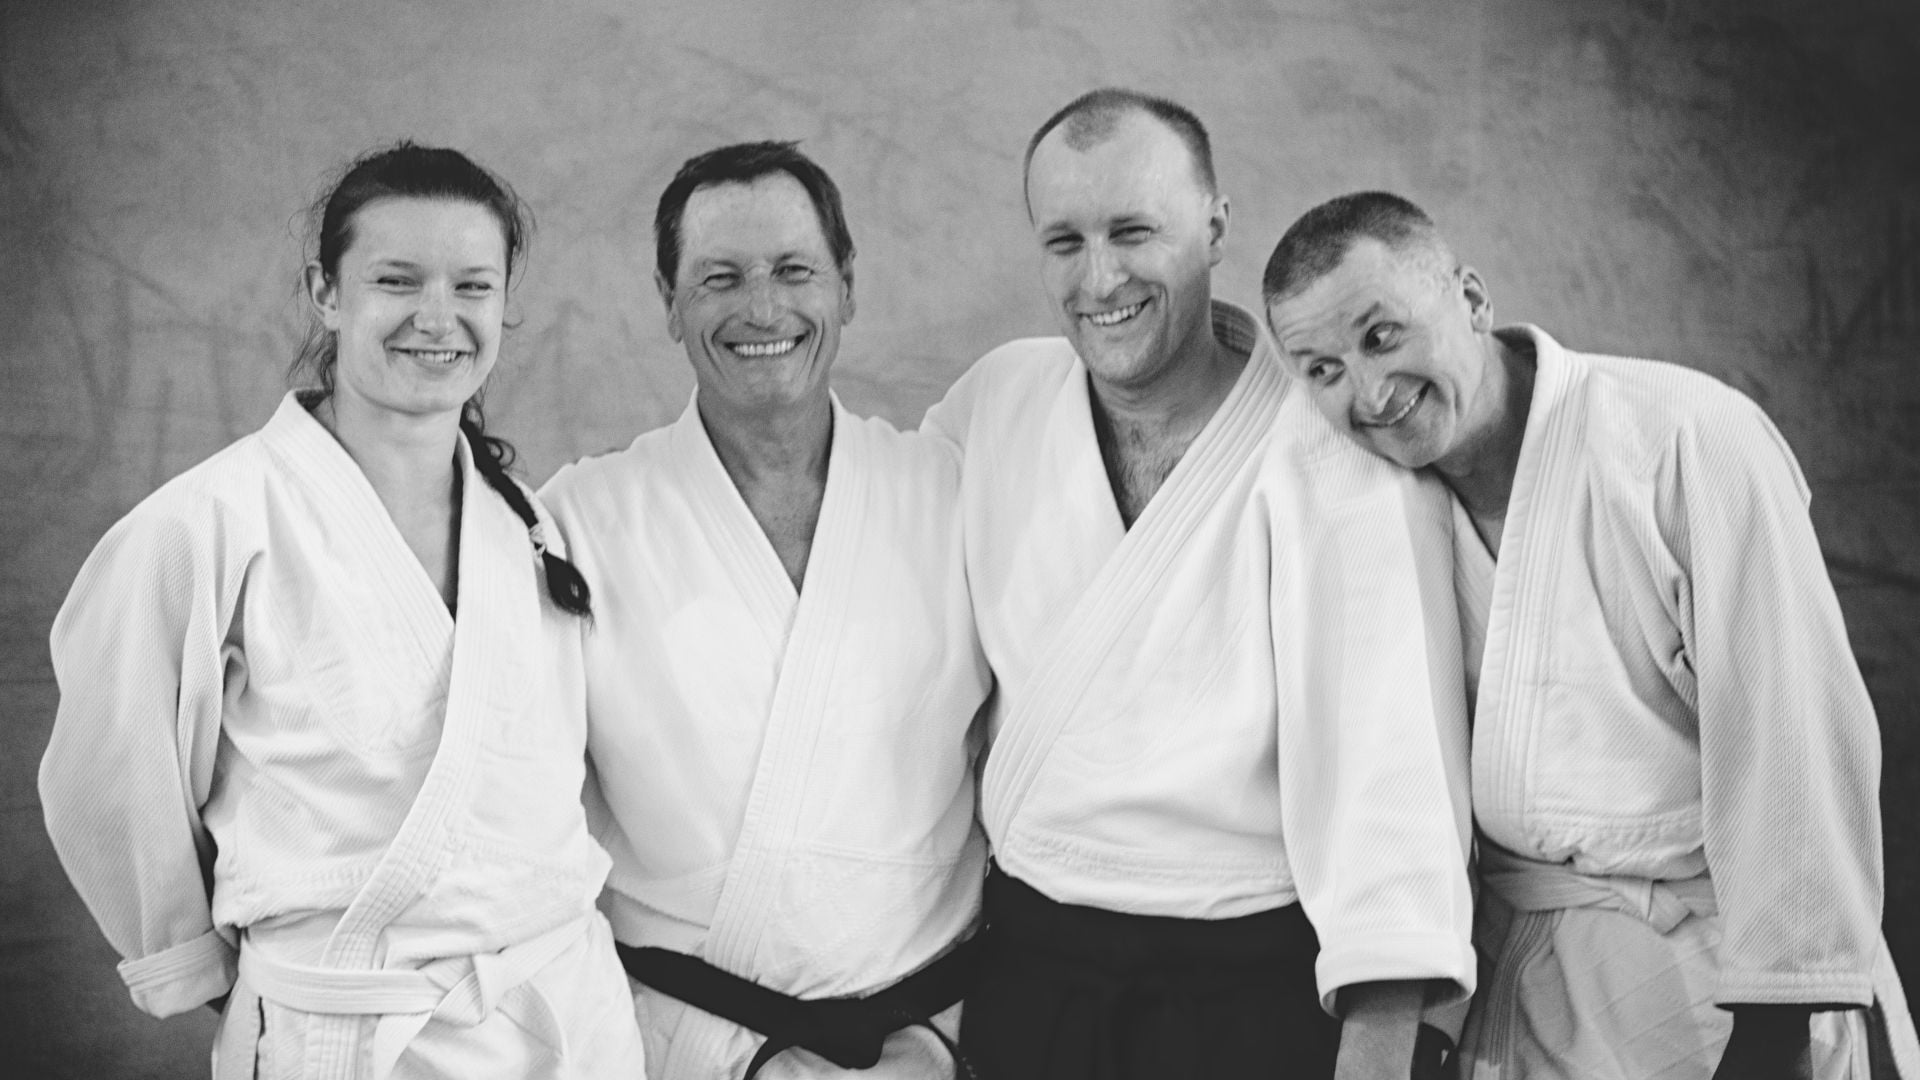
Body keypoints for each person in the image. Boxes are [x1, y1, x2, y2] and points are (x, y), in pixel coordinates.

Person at [1261, 190, 1920, 1080]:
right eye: (1322, 369)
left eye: (1383, 336)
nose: (1369, 394)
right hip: (1522, 984)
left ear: (1471, 297)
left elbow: (1793, 742)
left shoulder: (1687, 438)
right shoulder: (1371, 505)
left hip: (1720, 978)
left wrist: (1777, 1026)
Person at [38, 144, 646, 1080]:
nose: (438, 318)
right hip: (349, 1031)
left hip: (567, 1019)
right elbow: (112, 782)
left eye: (473, 286)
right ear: (326, 292)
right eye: (396, 280)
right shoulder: (205, 525)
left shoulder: (529, 524)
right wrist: (233, 975)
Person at [919, 89, 1474, 1080]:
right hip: (1031, 980)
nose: (1100, 278)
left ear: (1215, 228)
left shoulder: (1333, 458)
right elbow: (905, 647)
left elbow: (1391, 783)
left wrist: (1380, 1053)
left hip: (1249, 1002)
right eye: (1065, 241)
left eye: (1134, 232)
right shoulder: (995, 404)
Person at [540, 141, 990, 1080]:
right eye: (720, 278)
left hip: (931, 1040)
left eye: (794, 270)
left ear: (846, 287)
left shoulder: (950, 494)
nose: (762, 308)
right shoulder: (579, 522)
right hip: (691, 1045)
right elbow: (527, 817)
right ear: (669, 302)